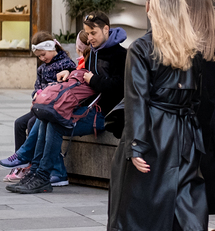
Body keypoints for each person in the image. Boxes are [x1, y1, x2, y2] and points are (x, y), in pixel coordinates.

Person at [96, 0, 215, 231]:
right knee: (185, 206)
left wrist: (136, 145)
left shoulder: (141, 49)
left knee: (127, 205)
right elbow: (197, 99)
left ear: (152, 9)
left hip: (152, 134)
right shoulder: (192, 49)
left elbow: (136, 99)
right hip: (184, 136)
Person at [7, 11, 127, 194]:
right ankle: (35, 173)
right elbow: (83, 77)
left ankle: (42, 177)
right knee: (46, 116)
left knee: (55, 125)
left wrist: (94, 80)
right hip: (83, 108)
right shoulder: (93, 52)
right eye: (87, 33)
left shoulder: (121, 55)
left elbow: (120, 87)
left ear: (106, 29)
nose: (89, 38)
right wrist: (70, 74)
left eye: (93, 33)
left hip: (102, 115)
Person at [164, 0, 215, 231]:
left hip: (186, 126)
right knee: (202, 187)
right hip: (214, 128)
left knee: (184, 189)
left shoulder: (181, 46)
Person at [0, 32, 76, 184]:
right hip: (41, 106)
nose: (42, 58)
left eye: (43, 54)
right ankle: (21, 163)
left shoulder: (66, 64)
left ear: (52, 48)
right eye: (39, 56)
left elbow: (66, 87)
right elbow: (37, 87)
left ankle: (31, 163)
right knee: (19, 123)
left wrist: (45, 92)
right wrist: (36, 95)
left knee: (32, 123)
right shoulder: (42, 68)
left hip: (54, 108)